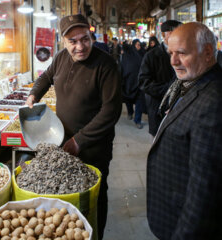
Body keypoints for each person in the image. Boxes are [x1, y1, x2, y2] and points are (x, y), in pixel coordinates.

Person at [147, 22, 222, 240]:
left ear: (207, 52)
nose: (173, 61)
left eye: (182, 53)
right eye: (171, 53)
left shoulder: (217, 101)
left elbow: (206, 192)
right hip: (175, 208)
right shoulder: (193, 83)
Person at [25, 14, 122, 240]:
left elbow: (111, 112)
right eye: (73, 41)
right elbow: (45, 77)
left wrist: (79, 141)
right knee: (67, 195)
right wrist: (32, 95)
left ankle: (95, 233)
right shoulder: (60, 58)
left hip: (93, 147)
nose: (80, 46)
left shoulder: (106, 65)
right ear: (63, 41)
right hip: (63, 140)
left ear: (91, 35)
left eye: (85, 39)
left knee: (94, 196)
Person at [138, 20, 181, 136]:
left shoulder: (185, 53)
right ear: (163, 35)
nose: (178, 36)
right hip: (158, 107)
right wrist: (169, 89)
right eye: (174, 32)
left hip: (180, 108)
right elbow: (143, 82)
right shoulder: (151, 56)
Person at [121, 39, 146, 129]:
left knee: (139, 100)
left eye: (140, 45)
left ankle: (137, 120)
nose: (139, 46)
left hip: (139, 82)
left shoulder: (143, 54)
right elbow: (123, 66)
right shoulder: (128, 54)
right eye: (137, 45)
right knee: (128, 99)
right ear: (134, 45)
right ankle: (130, 112)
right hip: (129, 81)